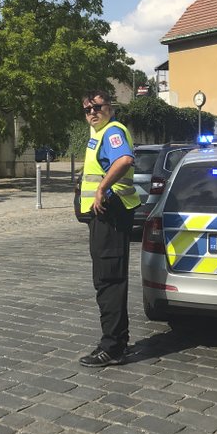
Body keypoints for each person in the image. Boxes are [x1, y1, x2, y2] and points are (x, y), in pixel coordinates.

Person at [78, 90, 140, 368]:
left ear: (110, 108)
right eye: (87, 108)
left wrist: (102, 188)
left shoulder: (112, 131)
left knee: (109, 281)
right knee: (106, 279)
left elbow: (124, 160)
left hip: (112, 216)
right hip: (104, 217)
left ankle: (113, 347)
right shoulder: (98, 134)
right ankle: (116, 341)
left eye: (97, 106)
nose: (92, 112)